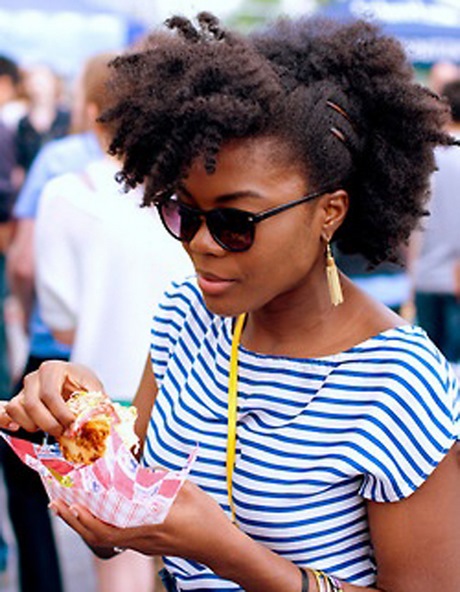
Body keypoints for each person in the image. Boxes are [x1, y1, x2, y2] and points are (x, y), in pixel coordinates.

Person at [2, 12, 460, 592]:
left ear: (330, 212)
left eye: (234, 222)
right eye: (182, 212)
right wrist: (85, 417)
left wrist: (231, 555)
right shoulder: (184, 316)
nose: (199, 242)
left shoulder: (397, 379)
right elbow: (125, 519)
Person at [2, 54, 107, 592]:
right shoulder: (168, 166)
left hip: (57, 354)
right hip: (149, 353)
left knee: (26, 478)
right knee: (125, 497)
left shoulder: (61, 162)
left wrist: (20, 305)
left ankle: (43, 583)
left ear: (89, 104)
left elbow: (22, 261)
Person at [410, 79, 460, 365]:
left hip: (426, 277)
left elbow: (413, 224)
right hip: (455, 281)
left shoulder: (426, 159)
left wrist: (412, 275)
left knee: (430, 368)